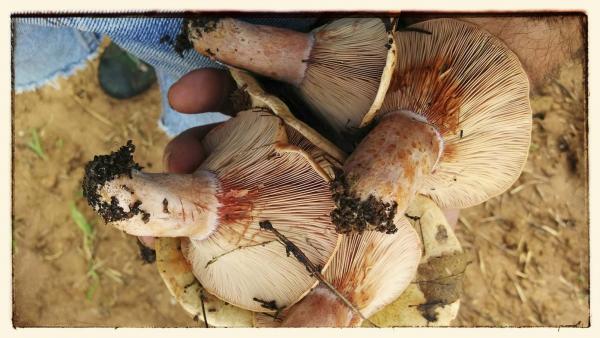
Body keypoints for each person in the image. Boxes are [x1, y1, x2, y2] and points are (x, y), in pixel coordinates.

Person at [14, 15, 584, 248]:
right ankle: (125, 42)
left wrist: (516, 32)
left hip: (301, 27)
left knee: (195, 90)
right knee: (46, 36)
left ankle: (152, 54)